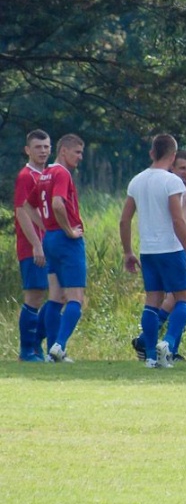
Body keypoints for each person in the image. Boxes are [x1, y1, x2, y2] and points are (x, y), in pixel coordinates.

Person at [131, 149, 186, 362]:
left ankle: (162, 347)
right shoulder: (168, 190)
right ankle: (159, 343)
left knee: (181, 299)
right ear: (173, 167)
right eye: (182, 168)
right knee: (178, 299)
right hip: (173, 250)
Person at [120, 134, 186, 368]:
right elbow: (177, 219)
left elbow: (124, 220)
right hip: (171, 249)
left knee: (152, 300)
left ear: (152, 153)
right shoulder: (171, 181)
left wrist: (128, 252)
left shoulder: (137, 181)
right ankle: (169, 342)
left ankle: (151, 357)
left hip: (148, 251)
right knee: (185, 299)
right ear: (173, 156)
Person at [24, 133, 86, 363]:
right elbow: (57, 204)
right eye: (77, 152)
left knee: (56, 296)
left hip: (50, 238)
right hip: (66, 240)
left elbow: (28, 205)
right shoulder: (61, 173)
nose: (80, 157)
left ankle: (51, 350)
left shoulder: (45, 174)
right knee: (76, 298)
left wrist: (47, 226)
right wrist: (69, 230)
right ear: (64, 151)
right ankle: (59, 345)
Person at [14, 130, 53, 362]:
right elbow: (21, 211)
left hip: (50, 245)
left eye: (46, 146)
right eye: (38, 147)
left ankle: (37, 343)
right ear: (27, 150)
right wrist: (37, 245)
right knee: (35, 295)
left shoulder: (48, 175)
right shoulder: (26, 176)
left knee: (59, 294)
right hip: (32, 247)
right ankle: (27, 350)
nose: (43, 151)